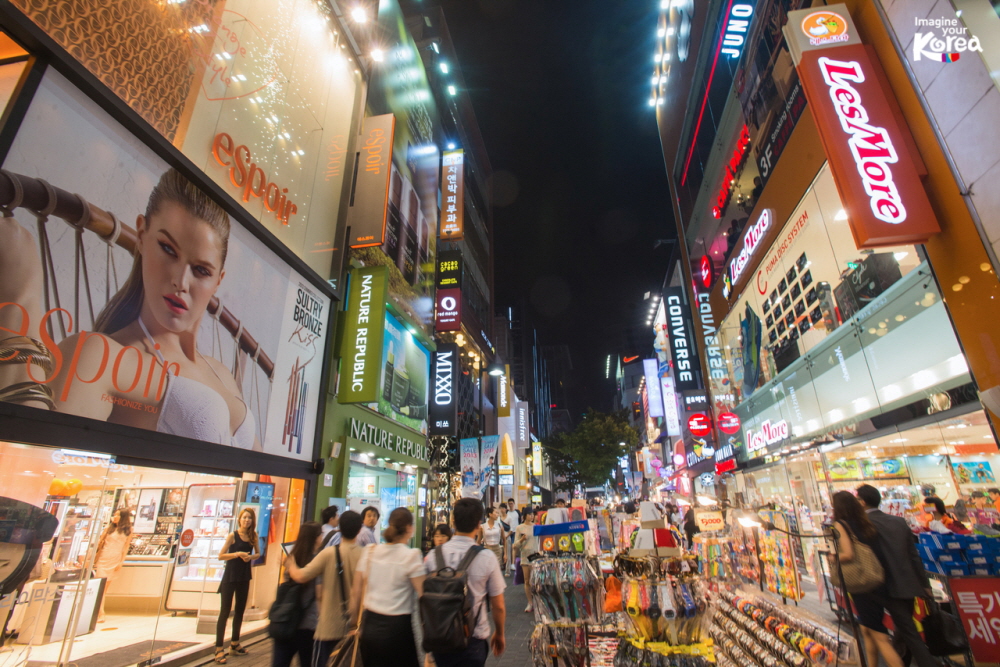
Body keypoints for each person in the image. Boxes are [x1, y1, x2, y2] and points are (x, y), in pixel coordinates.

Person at [0, 169, 261, 449]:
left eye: (200, 270)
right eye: (167, 249)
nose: (180, 282)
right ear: (140, 234)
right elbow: (33, 463)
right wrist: (20, 297)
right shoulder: (100, 355)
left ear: (218, 280)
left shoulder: (221, 371)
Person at [856, 484, 940, 667]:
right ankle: (901, 661)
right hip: (908, 583)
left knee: (907, 632)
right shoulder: (898, 522)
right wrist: (924, 584)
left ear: (862, 502)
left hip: (885, 586)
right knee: (904, 630)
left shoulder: (864, 525)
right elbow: (914, 556)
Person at [424, 498, 506, 667]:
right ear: (478, 525)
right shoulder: (486, 557)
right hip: (473, 638)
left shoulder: (433, 556)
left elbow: (423, 597)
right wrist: (499, 633)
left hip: (440, 637)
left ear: (453, 522)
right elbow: (498, 605)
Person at [829, 492, 904, 667]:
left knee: (879, 636)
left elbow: (847, 554)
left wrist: (833, 557)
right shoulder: (865, 523)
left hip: (861, 584)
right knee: (867, 630)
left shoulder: (840, 525)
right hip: (876, 580)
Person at [286, 510, 364, 667]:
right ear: (359, 530)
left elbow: (301, 576)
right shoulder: (365, 555)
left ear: (339, 529)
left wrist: (291, 563)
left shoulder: (328, 554)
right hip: (355, 625)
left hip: (328, 625)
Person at [351, 508, 424, 667]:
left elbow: (355, 592)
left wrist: (353, 624)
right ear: (410, 529)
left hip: (369, 626)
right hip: (398, 630)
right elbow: (423, 596)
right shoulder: (411, 556)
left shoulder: (369, 552)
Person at [272, 521, 322, 667]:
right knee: (307, 662)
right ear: (315, 538)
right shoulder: (317, 561)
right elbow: (319, 595)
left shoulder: (292, 557)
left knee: (280, 662)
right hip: (307, 624)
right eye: (320, 535)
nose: (322, 538)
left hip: (285, 620)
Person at [215, 507, 258, 663]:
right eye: (244, 517)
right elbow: (220, 556)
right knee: (225, 611)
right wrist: (237, 554)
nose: (247, 520)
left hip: (244, 576)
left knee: (240, 610)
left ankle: (234, 643)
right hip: (230, 576)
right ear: (239, 519)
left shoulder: (253, 536)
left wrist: (251, 557)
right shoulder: (232, 536)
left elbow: (258, 553)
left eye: (249, 518)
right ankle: (219, 648)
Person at [93, 508, 132, 622]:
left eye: (118, 515)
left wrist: (121, 561)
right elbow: (100, 544)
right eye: (114, 515)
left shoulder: (128, 530)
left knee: (105, 588)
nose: (115, 517)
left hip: (114, 559)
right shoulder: (109, 528)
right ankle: (100, 613)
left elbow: (126, 547)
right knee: (101, 586)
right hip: (103, 558)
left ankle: (100, 612)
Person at [512, 509, 538, 613]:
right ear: (525, 516)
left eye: (532, 514)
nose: (531, 516)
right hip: (525, 557)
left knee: (536, 581)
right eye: (529, 514)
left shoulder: (536, 526)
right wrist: (522, 539)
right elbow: (515, 545)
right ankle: (530, 602)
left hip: (536, 556)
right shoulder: (519, 527)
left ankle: (537, 602)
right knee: (527, 580)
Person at [504, 501, 519, 574]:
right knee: (508, 548)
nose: (510, 505)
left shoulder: (517, 512)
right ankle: (509, 564)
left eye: (512, 503)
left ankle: (513, 563)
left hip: (516, 531)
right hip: (509, 532)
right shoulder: (507, 513)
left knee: (514, 547)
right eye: (509, 504)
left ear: (514, 504)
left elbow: (520, 521)